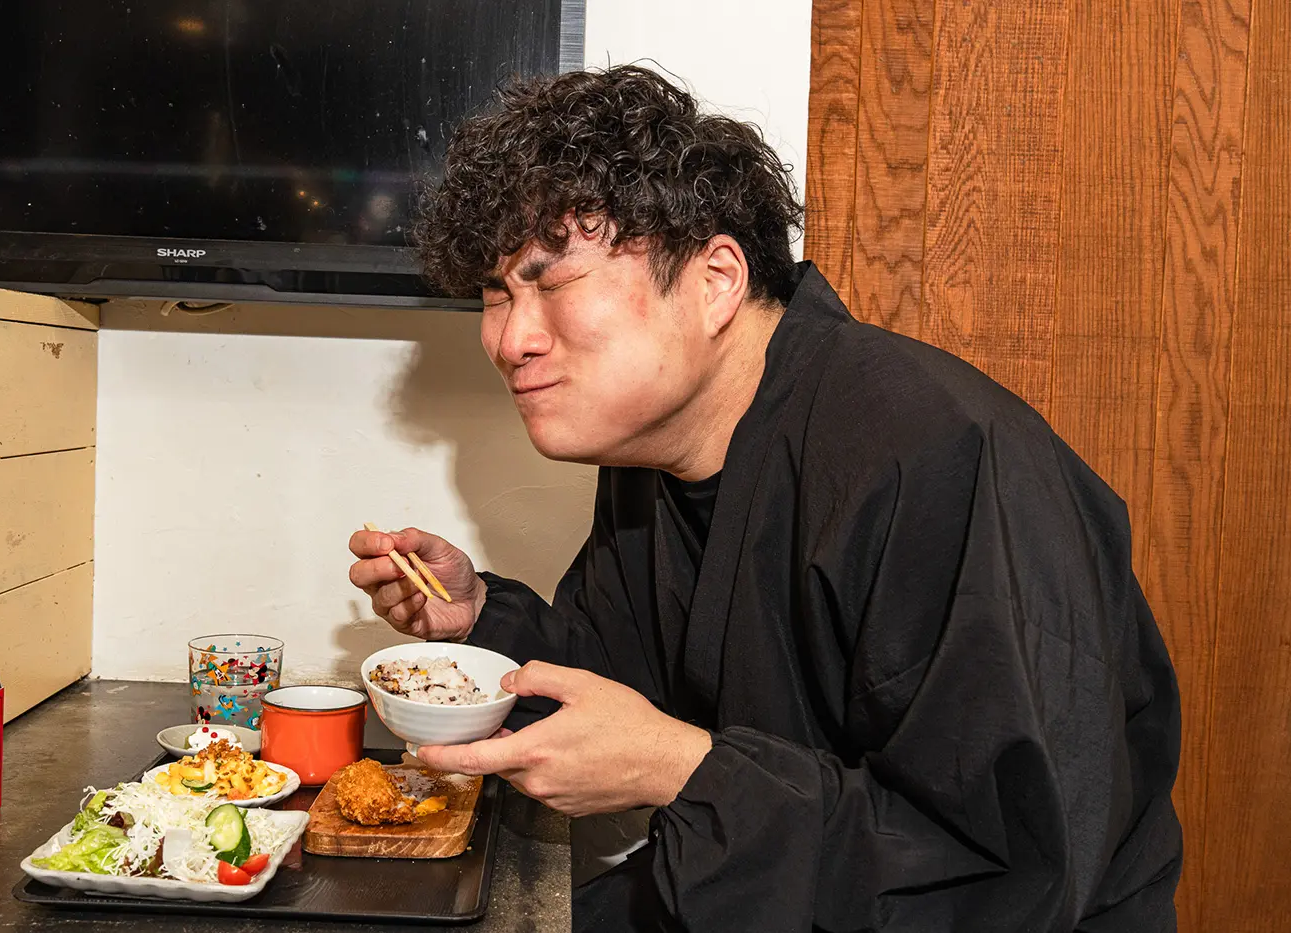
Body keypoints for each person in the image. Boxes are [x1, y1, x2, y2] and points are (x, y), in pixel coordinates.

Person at [348, 66, 1182, 932]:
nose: (511, 338)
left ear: (714, 279)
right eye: (496, 294)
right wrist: (481, 619)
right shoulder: (654, 449)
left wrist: (685, 772)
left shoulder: (935, 456)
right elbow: (619, 687)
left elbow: (1011, 866)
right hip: (760, 886)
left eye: (551, 283)